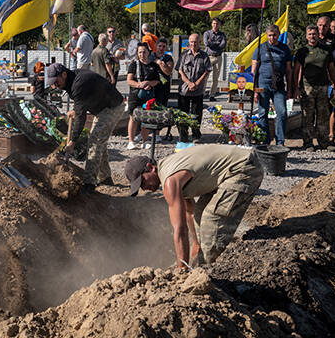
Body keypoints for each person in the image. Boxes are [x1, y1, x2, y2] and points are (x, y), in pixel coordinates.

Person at [125, 145, 264, 267]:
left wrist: (182, 268)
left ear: (150, 168)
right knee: (200, 213)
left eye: (143, 181)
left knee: (211, 219)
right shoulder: (170, 170)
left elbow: (180, 228)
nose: (144, 188)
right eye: (140, 186)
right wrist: (196, 243)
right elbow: (190, 211)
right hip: (231, 170)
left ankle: (207, 269)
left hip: (245, 168)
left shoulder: (170, 181)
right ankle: (203, 259)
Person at [46, 63, 123, 192]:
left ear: (63, 74)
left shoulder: (79, 83)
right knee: (99, 141)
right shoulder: (72, 80)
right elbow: (82, 102)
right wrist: (76, 110)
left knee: (95, 140)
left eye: (55, 81)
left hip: (112, 107)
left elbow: (81, 118)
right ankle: (105, 178)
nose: (54, 85)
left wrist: (72, 141)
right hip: (101, 109)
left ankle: (89, 183)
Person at [294, 25, 335, 151]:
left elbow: (331, 69)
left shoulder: (326, 49)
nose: (312, 36)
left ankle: (324, 142)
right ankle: (308, 143)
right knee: (308, 116)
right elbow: (296, 70)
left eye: (314, 34)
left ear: (318, 35)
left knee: (323, 115)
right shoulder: (302, 51)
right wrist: (296, 88)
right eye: (309, 34)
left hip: (323, 86)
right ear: (306, 36)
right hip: (307, 87)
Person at [251, 24, 292, 145]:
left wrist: (290, 88)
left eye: (274, 35)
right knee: (263, 114)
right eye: (269, 35)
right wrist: (254, 90)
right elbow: (254, 71)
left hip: (279, 86)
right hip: (262, 86)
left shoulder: (285, 49)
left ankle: (280, 142)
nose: (272, 38)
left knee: (282, 113)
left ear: (279, 35)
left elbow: (289, 70)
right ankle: (265, 141)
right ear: (266, 35)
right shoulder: (260, 48)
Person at [175, 34, 211, 142]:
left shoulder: (204, 56)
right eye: (191, 42)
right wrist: (189, 83)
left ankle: (196, 135)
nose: (193, 44)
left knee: (196, 114)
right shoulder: (184, 55)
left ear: (199, 42)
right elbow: (180, 70)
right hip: (184, 90)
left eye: (195, 42)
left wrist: (197, 83)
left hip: (198, 90)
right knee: (183, 114)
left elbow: (207, 71)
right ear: (189, 42)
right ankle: (183, 136)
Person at [126, 43, 160, 149]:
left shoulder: (153, 66)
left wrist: (149, 83)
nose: (142, 54)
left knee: (146, 118)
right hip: (135, 94)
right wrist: (139, 85)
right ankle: (131, 141)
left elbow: (157, 81)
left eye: (144, 52)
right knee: (133, 117)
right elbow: (129, 80)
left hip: (148, 95)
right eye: (140, 52)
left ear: (148, 52)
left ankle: (145, 141)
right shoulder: (133, 64)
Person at [203, 17, 227, 101]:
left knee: (215, 78)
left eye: (217, 24)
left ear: (219, 25)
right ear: (211, 24)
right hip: (208, 57)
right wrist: (217, 43)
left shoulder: (222, 35)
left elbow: (223, 45)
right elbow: (206, 43)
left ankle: (212, 95)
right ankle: (202, 93)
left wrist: (212, 43)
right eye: (214, 23)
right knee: (205, 76)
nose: (215, 25)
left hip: (218, 57)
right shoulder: (207, 33)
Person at [153, 37, 174, 107]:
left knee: (162, 106)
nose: (161, 48)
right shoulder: (151, 56)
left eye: (164, 46)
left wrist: (160, 63)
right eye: (159, 46)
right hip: (152, 85)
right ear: (156, 46)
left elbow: (168, 72)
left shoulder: (168, 58)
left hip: (163, 86)